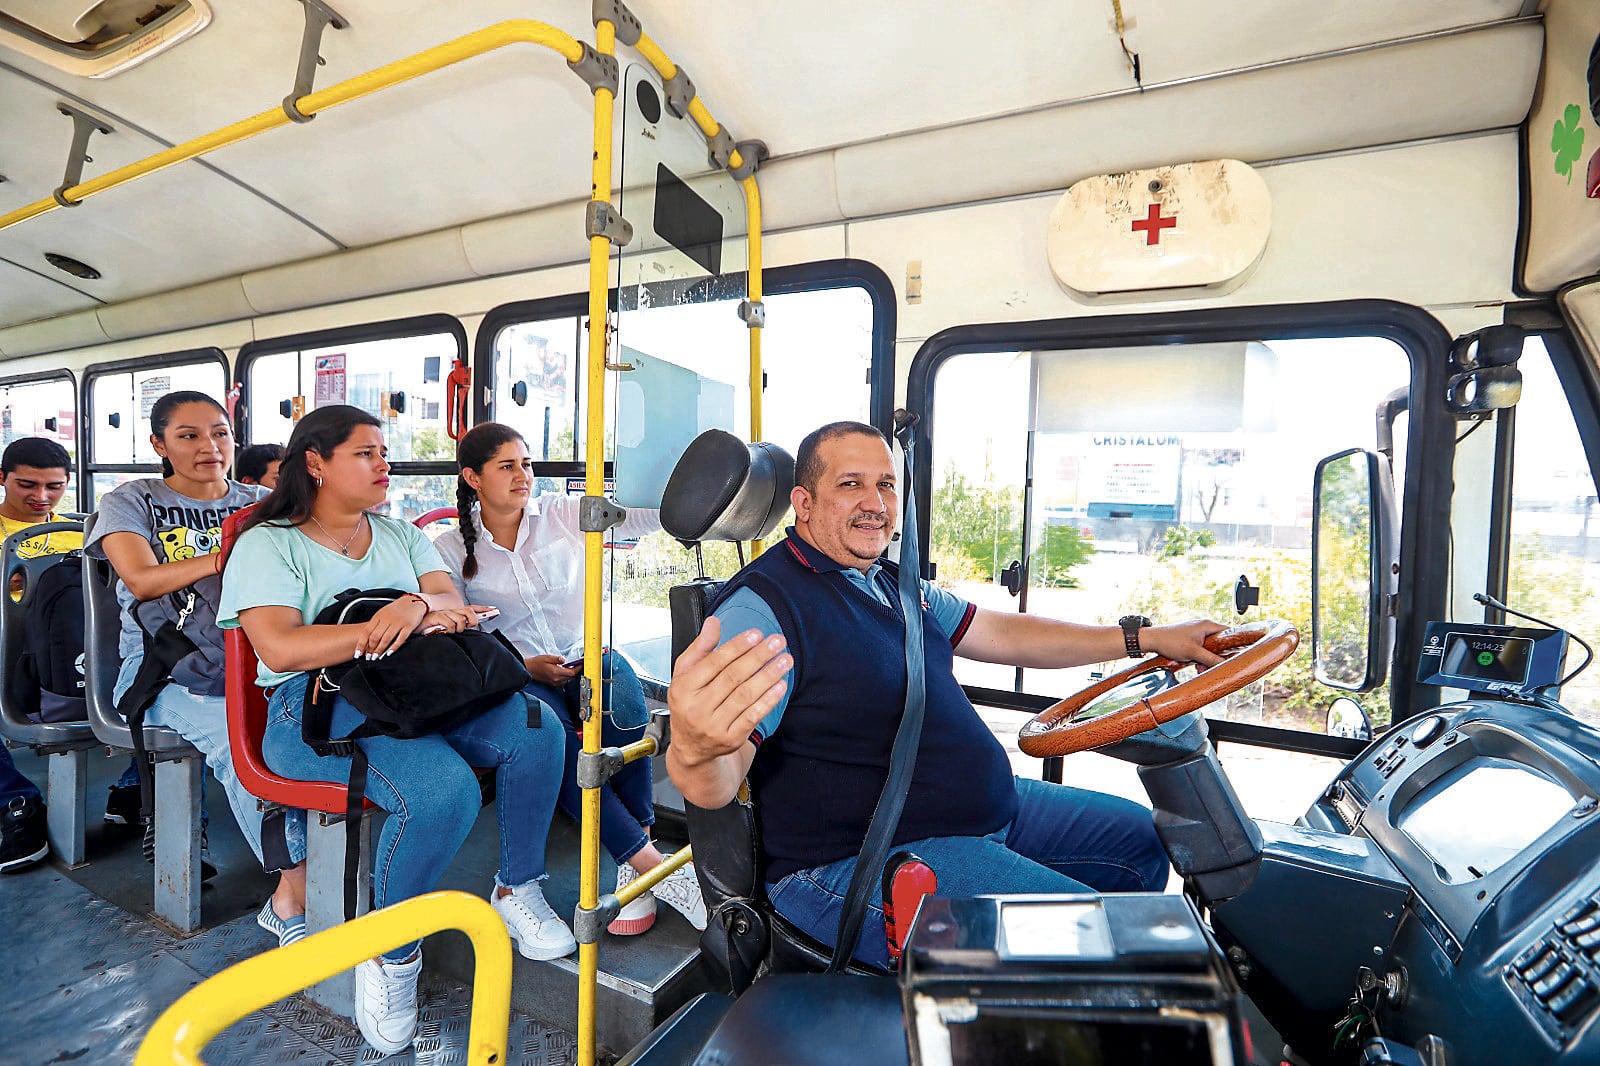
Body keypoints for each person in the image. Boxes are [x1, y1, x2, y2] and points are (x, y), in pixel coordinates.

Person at [667, 421, 1227, 970]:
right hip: (860, 861)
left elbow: (1002, 632)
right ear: (804, 503)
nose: (875, 502)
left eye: (885, 484)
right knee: (1096, 942)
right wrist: (694, 750)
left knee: (1141, 843)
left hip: (981, 814)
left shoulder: (887, 579)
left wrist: (1142, 638)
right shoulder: (759, 611)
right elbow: (716, 778)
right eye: (850, 483)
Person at [220, 405, 572, 1056]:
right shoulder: (269, 543)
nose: (384, 465)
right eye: (366, 453)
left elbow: (443, 599)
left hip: (409, 682)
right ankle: (390, 953)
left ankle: (516, 886)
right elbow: (279, 649)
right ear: (316, 462)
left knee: (537, 725)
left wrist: (413, 607)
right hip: (315, 702)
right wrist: (374, 630)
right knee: (443, 791)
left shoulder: (399, 535)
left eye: (385, 453)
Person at [435, 422, 707, 936]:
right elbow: (461, 632)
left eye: (528, 464)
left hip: (585, 654)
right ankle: (652, 865)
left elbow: (639, 520)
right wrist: (525, 666)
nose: (524, 476)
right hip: (517, 674)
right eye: (507, 466)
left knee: (622, 700)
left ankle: (635, 861)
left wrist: (696, 503)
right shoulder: (449, 550)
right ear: (473, 477)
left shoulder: (562, 515)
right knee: (556, 742)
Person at [84, 392, 308, 939]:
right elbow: (140, 579)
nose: (210, 447)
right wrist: (227, 554)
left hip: (259, 658)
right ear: (159, 444)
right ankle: (297, 893)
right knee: (242, 745)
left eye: (220, 433)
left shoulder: (261, 500)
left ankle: (332, 874)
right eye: (188, 436)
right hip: (167, 670)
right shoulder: (132, 501)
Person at [0, 437, 84, 872]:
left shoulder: (79, 533)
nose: (41, 497)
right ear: (2, 480)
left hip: (77, 651)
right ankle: (15, 798)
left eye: (54, 487)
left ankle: (134, 791)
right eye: (27, 485)